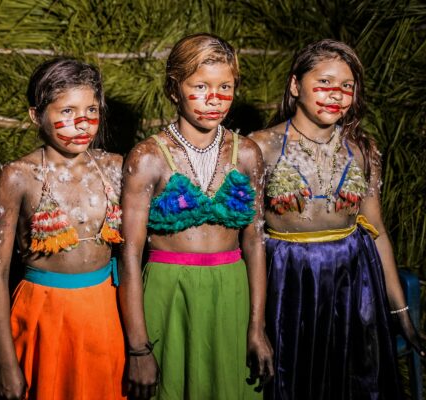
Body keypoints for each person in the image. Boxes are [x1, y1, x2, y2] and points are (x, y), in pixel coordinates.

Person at [249, 39, 425, 400]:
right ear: (296, 85)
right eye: (325, 83)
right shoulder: (259, 147)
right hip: (290, 281)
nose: (336, 95)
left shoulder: (361, 148)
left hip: (354, 281)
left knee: (355, 382)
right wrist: (254, 324)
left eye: (347, 86)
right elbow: (249, 237)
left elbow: (377, 233)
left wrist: (400, 309)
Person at [119, 33, 274, 400]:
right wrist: (139, 347)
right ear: (175, 89)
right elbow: (128, 254)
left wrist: (256, 327)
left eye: (225, 87)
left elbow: (254, 242)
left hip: (230, 292)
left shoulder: (248, 154)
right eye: (200, 86)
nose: (214, 99)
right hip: (169, 293)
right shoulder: (147, 157)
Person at [0, 58, 126, 400]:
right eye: (67, 111)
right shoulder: (16, 177)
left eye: (91, 109)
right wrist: (5, 364)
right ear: (36, 115)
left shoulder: (116, 167)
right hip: (42, 315)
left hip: (104, 313)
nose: (82, 123)